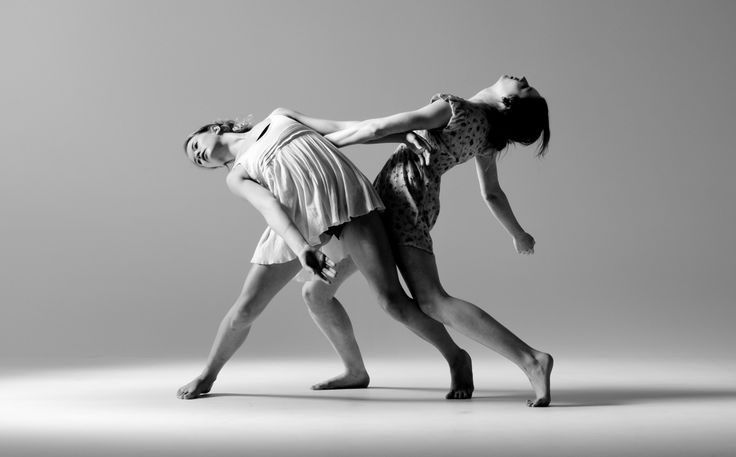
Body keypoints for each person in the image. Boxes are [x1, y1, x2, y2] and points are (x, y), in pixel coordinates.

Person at [276, 74, 554, 407]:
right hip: (403, 200)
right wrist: (518, 234)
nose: (521, 78)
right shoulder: (487, 135)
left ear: (508, 103)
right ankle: (355, 371)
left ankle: (530, 359)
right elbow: (492, 193)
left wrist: (307, 145)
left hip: (402, 200)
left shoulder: (456, 110)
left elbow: (378, 128)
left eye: (524, 88)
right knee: (316, 292)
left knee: (432, 300)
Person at [176, 113, 474, 400]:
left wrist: (400, 136)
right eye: (195, 162)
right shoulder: (238, 174)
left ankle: (456, 357)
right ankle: (209, 375)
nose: (196, 157)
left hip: (347, 200)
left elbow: (344, 129)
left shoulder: (279, 118)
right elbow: (269, 206)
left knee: (392, 301)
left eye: (194, 146)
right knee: (245, 310)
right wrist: (302, 247)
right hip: (299, 223)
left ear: (213, 128)